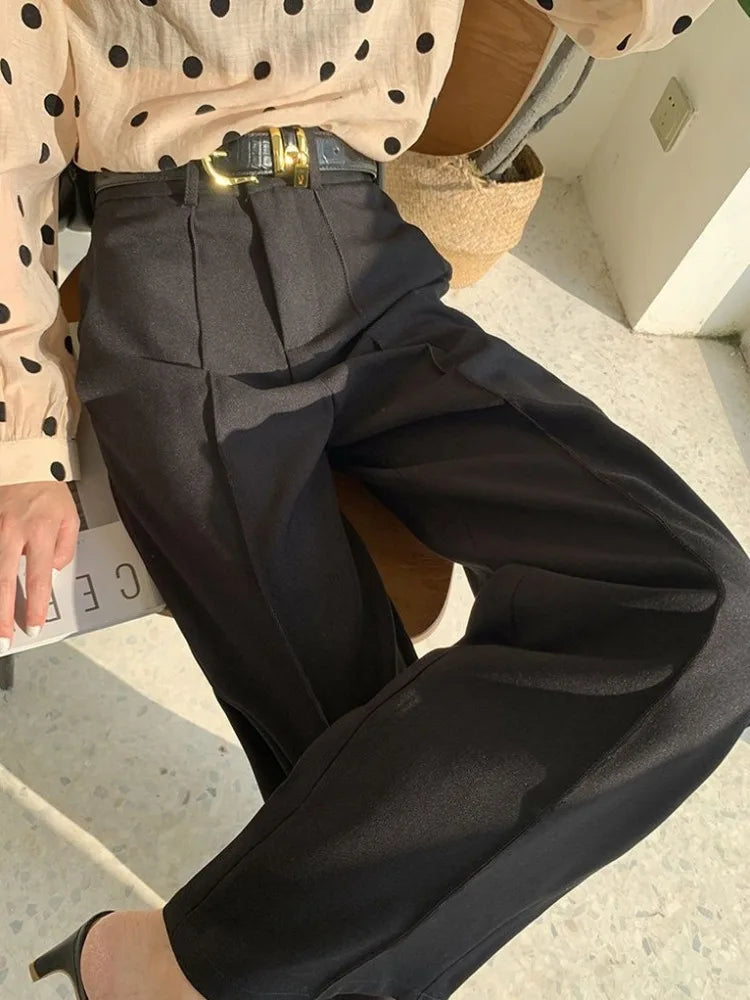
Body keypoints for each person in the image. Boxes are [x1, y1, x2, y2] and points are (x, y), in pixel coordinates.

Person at [2, 1, 748, 999]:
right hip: (175, 262)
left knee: (708, 611)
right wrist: (21, 439)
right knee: (366, 758)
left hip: (370, 253)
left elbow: (627, 19)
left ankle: (156, 964)